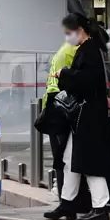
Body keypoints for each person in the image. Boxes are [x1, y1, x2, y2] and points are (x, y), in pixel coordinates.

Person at [42, 12, 110, 220]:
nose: (67, 37)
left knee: (89, 163)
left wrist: (64, 74)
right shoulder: (88, 49)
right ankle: (68, 203)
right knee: (70, 160)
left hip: (89, 116)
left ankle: (100, 208)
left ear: (79, 30)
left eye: (69, 33)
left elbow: (86, 81)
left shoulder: (89, 51)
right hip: (85, 116)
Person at [39, 38, 84, 210]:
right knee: (66, 158)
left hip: (57, 105)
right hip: (63, 108)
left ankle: (67, 201)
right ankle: (68, 202)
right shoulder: (72, 50)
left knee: (63, 156)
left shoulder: (66, 49)